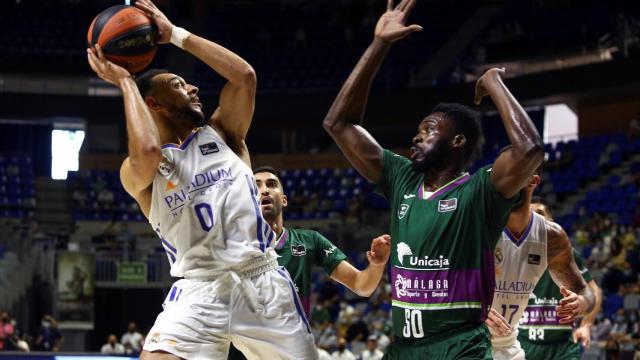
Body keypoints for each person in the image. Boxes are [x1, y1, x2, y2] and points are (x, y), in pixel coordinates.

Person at [86, 0, 317, 358]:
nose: (193, 88)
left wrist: (175, 35)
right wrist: (125, 82)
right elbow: (146, 150)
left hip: (262, 283)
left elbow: (244, 77)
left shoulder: (223, 133)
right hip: (198, 290)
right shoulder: (140, 170)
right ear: (155, 105)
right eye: (179, 84)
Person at [322, 0, 544, 358]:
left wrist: (494, 83)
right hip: (404, 347)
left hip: (460, 347)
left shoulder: (481, 189)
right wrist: (379, 45)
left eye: (428, 130)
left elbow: (530, 149)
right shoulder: (402, 178)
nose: (416, 137)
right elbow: (338, 124)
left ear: (458, 141)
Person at [228, 167, 391, 360]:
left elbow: (361, 286)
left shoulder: (309, 240)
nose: (264, 190)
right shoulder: (230, 245)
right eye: (257, 186)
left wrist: (377, 265)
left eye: (271, 185)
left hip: (293, 349)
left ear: (284, 200)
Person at [485, 178, 596, 360]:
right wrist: (474, 306)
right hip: (507, 339)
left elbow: (591, 292)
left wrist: (583, 311)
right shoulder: (482, 227)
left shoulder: (554, 241)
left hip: (554, 345)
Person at [518, 198, 604, 359]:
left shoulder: (567, 254)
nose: (535, 219)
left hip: (562, 346)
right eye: (529, 215)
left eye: (540, 214)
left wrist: (586, 325)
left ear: (550, 220)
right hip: (523, 343)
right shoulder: (513, 254)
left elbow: (595, 291)